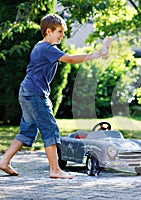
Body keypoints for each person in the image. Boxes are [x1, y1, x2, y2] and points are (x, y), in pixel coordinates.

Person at [0, 13, 113, 179]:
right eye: (59, 31)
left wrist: (46, 97)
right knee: (50, 130)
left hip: (28, 91)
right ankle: (55, 170)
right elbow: (72, 59)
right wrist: (96, 54)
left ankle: (4, 161)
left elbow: (39, 75)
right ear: (48, 31)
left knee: (27, 130)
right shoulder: (47, 48)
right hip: (34, 93)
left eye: (63, 32)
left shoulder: (40, 47)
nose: (62, 35)